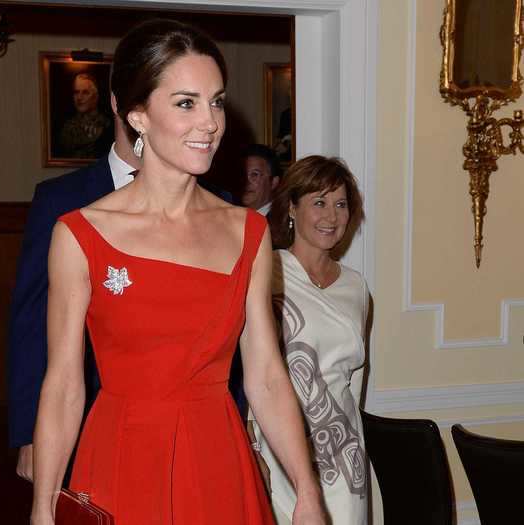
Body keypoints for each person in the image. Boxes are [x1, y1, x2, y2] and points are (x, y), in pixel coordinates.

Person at [30, 19, 326, 525]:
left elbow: (268, 376)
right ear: (137, 114)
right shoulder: (80, 234)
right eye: (186, 102)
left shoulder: (247, 233)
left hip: (217, 459)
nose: (209, 122)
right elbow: (62, 385)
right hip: (120, 458)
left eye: (216, 101)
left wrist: (307, 491)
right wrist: (42, 506)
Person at [9, 65, 236, 483]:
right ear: (123, 106)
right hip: (95, 423)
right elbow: (32, 324)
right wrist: (30, 434)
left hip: (199, 431)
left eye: (214, 102)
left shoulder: (222, 207)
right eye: (185, 102)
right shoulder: (61, 201)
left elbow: (231, 346)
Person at [251, 155, 369, 525]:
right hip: (276, 448)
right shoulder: (264, 271)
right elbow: (240, 369)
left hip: (342, 454)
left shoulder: (357, 287)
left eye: (340, 204)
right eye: (318, 202)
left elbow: (355, 382)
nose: (331, 216)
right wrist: (249, 448)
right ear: (291, 207)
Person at [57, 73, 114, 158]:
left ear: (96, 96)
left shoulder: (108, 125)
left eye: (85, 92)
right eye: (76, 92)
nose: (79, 97)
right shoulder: (67, 127)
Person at [241, 143, 281, 217]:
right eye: (242, 174)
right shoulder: (232, 218)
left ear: (273, 182)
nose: (246, 181)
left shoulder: (281, 221)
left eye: (254, 175)